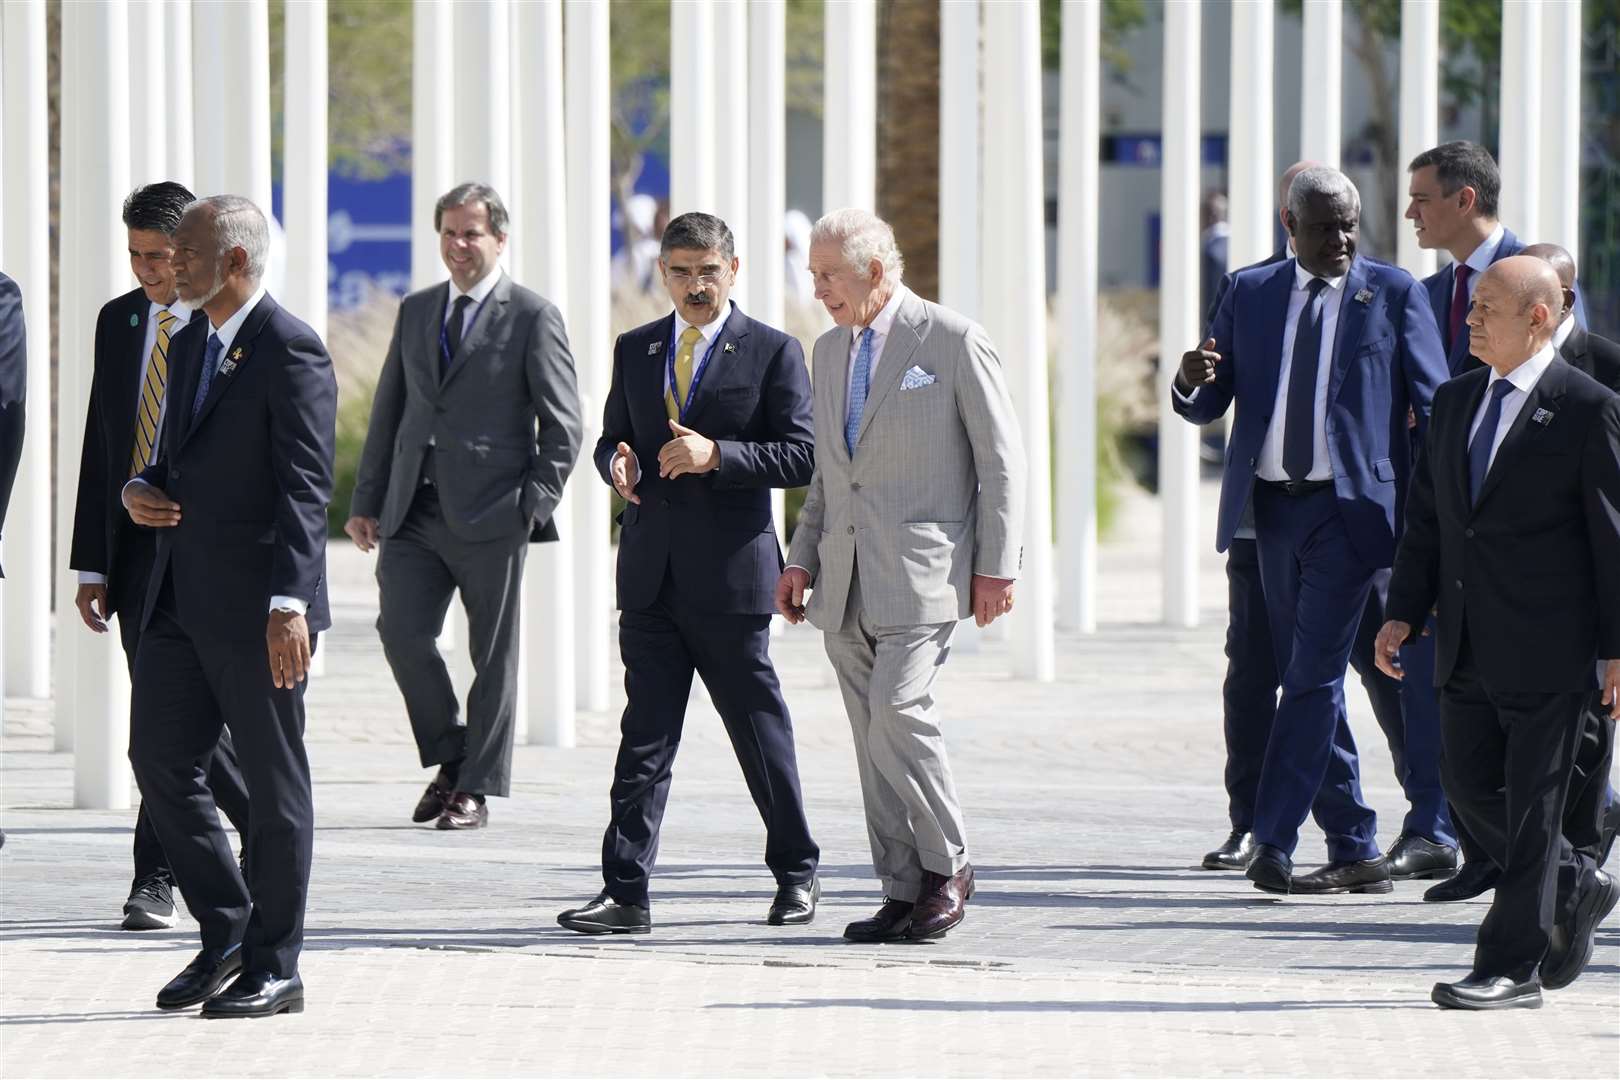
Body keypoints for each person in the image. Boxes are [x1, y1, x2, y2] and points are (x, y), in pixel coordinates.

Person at [1174, 167, 1449, 896]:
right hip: (1270, 513)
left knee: (1313, 673)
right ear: (1291, 227)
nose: (1342, 240)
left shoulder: (1393, 293)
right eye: (1326, 226)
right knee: (1311, 679)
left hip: (1350, 514)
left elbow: (1436, 406)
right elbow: (1209, 405)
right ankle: (1355, 842)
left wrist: (1430, 511)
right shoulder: (1250, 291)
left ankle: (1273, 837)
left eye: (1351, 224)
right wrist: (1189, 379)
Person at [556, 212, 821, 935]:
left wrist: (719, 457)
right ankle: (625, 893)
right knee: (643, 740)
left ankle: (797, 872)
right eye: (680, 271)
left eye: (708, 270)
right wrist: (615, 461)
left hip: (732, 580)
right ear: (663, 274)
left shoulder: (773, 351)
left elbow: (801, 456)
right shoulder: (636, 348)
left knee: (758, 735)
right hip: (648, 576)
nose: (695, 284)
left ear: (733, 270)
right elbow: (612, 434)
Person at [1376, 256, 1620, 1010]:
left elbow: (1612, 538)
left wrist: (1616, 649)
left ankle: (1510, 967)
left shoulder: (1588, 406)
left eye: (1488, 307)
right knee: (1465, 782)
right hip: (1466, 641)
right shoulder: (1454, 402)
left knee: (1534, 810)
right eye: (1473, 307)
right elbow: (1430, 521)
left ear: (1539, 317)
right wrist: (1403, 609)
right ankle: (1575, 880)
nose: (1471, 318)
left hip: (1554, 649)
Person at [776, 208, 1026, 942]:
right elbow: (828, 476)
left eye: (828, 275)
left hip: (924, 572)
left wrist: (997, 566)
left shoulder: (951, 340)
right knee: (868, 732)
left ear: (876, 272)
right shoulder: (826, 352)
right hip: (842, 577)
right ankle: (902, 883)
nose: (817, 287)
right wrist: (799, 557)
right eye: (815, 274)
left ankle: (949, 865)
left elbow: (1000, 463)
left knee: (897, 710)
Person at [124, 195, 336, 1018]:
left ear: (237, 262)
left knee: (276, 791)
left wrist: (290, 604)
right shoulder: (183, 345)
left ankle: (277, 967)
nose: (171, 265)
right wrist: (141, 489)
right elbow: (173, 461)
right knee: (160, 761)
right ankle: (227, 928)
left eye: (188, 253)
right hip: (178, 597)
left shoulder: (292, 351)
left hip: (262, 609)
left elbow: (306, 488)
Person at [346, 182, 583, 830]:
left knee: (493, 655)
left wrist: (532, 506)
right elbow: (389, 410)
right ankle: (452, 754)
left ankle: (475, 787)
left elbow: (564, 426)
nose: (458, 245)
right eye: (449, 233)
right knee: (402, 635)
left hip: (493, 513)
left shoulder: (533, 315)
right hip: (411, 509)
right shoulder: (418, 309)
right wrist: (367, 499)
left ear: (499, 238)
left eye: (471, 233)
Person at [68, 182, 252, 931]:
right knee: (161, 724)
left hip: (209, 552)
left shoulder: (226, 327)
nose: (149, 271)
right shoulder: (119, 322)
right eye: (137, 256)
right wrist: (91, 564)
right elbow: (102, 444)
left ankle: (266, 826)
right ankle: (160, 875)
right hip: (137, 553)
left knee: (191, 727)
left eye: (161, 257)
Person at [1405, 141, 1586, 378]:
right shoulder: (1428, 291)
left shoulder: (1542, 271)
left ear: (1464, 200)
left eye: (1422, 200)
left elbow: (1574, 366)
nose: (1410, 213)